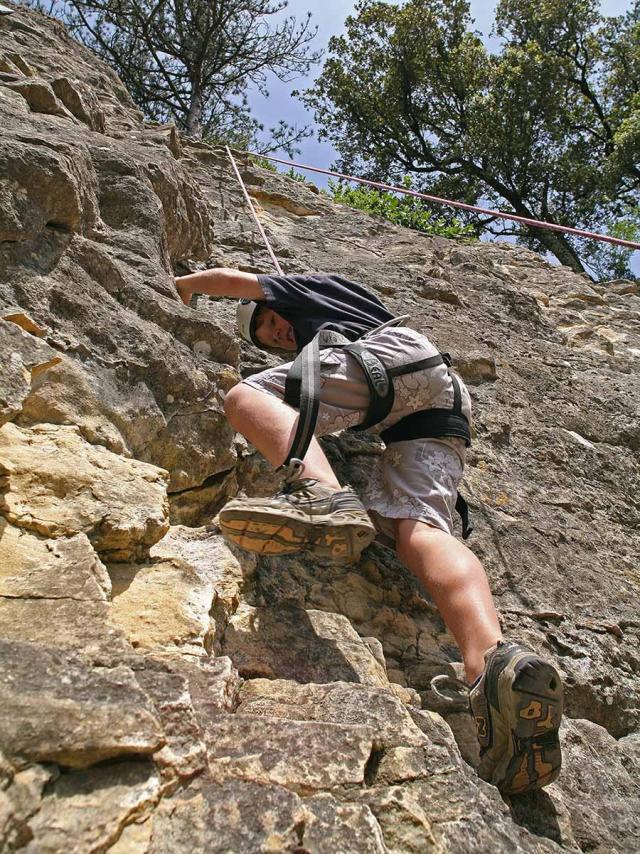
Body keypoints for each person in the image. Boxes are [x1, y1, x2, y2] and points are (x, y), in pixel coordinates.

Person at [175, 266, 563, 796]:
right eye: (267, 339)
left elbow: (234, 280)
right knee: (418, 530)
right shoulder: (348, 309)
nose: (279, 335)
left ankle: (321, 497)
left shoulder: (308, 289)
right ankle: (492, 663)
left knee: (247, 399)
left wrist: (182, 287)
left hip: (389, 360)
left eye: (272, 322)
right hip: (434, 401)